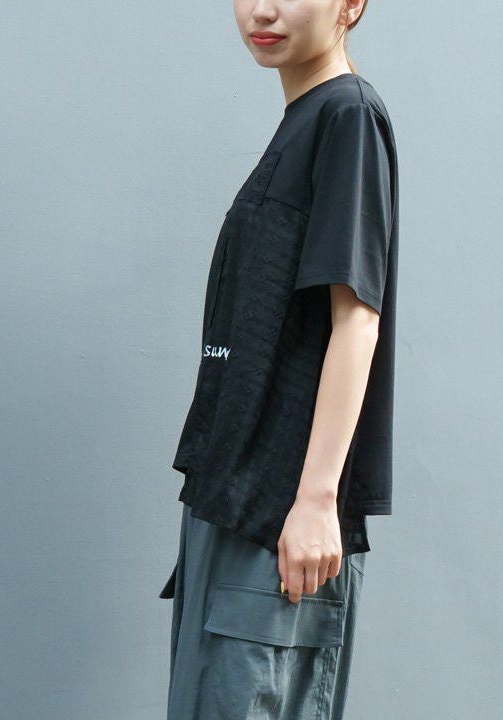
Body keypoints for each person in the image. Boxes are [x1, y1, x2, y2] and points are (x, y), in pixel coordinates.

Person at [159, 0, 399, 717]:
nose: (263, 10)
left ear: (351, 4)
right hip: (235, 505)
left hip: (279, 520)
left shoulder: (347, 116)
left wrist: (318, 501)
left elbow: (357, 318)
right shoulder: (305, 120)